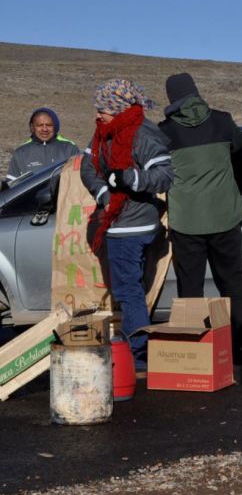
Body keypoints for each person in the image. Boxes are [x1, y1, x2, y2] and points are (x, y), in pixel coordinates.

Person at [80, 79, 173, 370]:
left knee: (127, 291)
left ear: (118, 108)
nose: (98, 114)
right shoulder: (103, 132)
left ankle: (138, 354)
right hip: (117, 219)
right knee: (132, 288)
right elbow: (87, 166)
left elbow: (164, 176)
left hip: (131, 226)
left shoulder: (142, 133)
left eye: (103, 109)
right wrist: (103, 193)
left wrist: (128, 178)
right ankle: (138, 348)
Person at [158, 72, 242, 351]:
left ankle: (194, 349)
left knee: (190, 288)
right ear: (195, 91)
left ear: (171, 98)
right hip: (225, 217)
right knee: (234, 283)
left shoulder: (164, 132)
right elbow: (239, 144)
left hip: (187, 222)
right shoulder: (222, 121)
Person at [6, 107, 80, 185]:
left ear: (55, 126)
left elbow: (79, 180)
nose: (44, 129)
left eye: (49, 125)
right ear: (32, 127)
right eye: (39, 125)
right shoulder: (20, 152)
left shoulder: (70, 148)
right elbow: (11, 185)